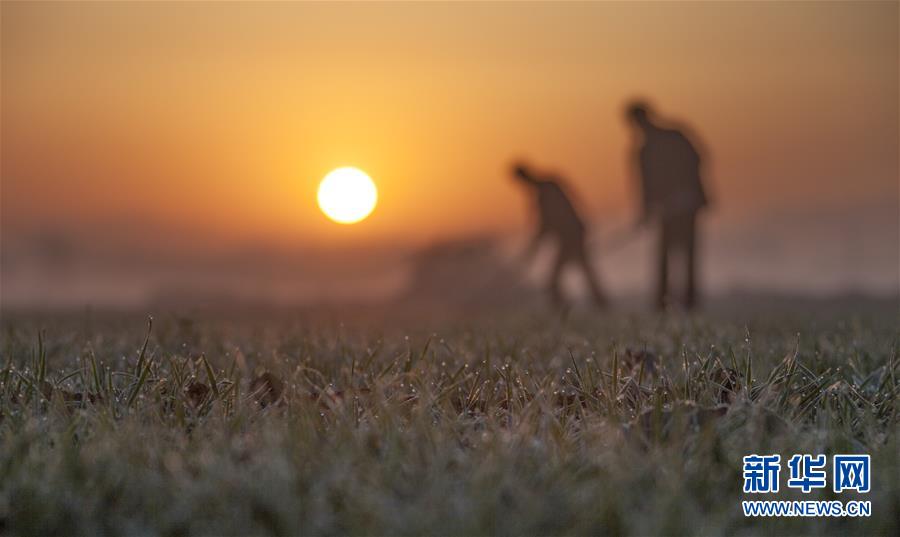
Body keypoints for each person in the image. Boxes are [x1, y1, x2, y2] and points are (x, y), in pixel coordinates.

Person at [625, 100, 709, 310]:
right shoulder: (644, 151)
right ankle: (662, 303)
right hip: (668, 211)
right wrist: (646, 210)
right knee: (665, 256)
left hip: (686, 207)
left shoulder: (673, 136)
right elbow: (644, 185)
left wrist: (686, 191)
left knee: (686, 255)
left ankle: (689, 303)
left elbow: (696, 159)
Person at [511, 162, 607, 309]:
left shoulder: (547, 189)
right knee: (584, 270)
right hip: (571, 235)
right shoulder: (545, 189)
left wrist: (535, 244)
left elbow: (549, 222)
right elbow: (546, 223)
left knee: (555, 278)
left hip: (570, 236)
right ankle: (600, 304)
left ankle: (563, 309)